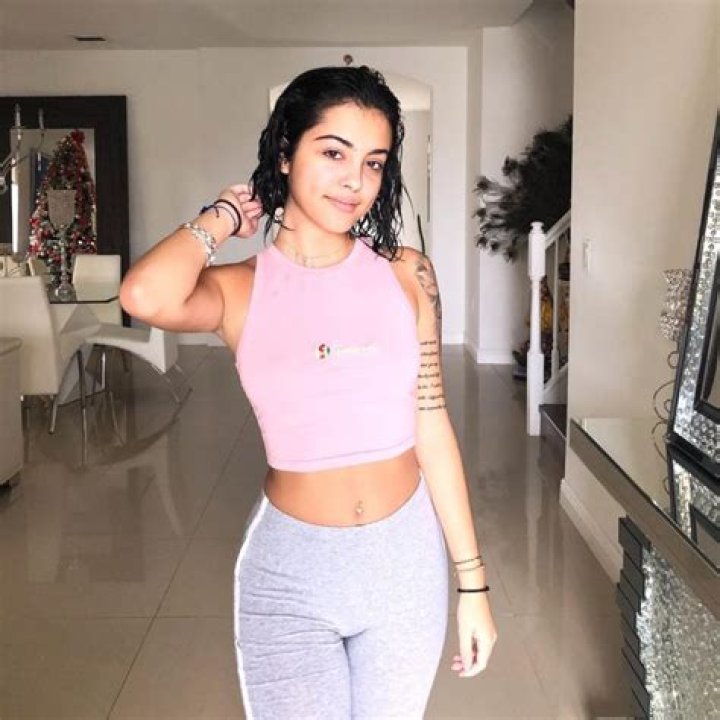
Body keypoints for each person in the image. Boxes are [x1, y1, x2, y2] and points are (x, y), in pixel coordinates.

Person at [120, 65, 497, 720]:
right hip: (290, 575)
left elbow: (432, 424)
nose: (356, 181)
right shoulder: (239, 289)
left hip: (405, 564)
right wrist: (225, 215)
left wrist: (473, 584)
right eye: (333, 153)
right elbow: (144, 294)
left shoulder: (408, 275)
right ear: (285, 153)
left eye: (374, 162)